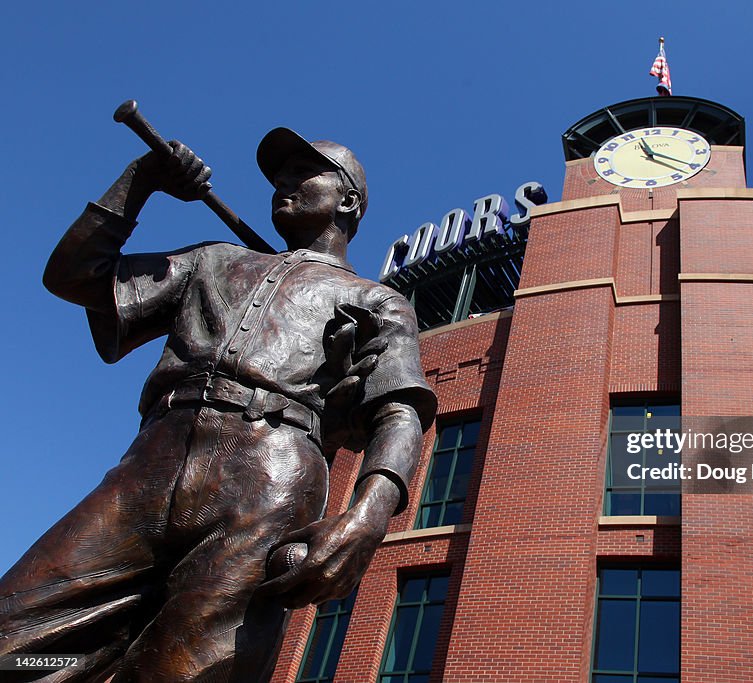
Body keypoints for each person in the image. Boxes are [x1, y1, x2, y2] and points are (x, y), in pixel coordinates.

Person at [0, 129, 436, 682]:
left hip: (267, 479)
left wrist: (369, 515)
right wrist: (141, 182)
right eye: (280, 175)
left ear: (348, 199)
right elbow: (75, 276)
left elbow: (398, 409)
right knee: (16, 651)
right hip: (150, 466)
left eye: (305, 172)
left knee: (179, 672)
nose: (284, 182)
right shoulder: (213, 261)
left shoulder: (375, 299)